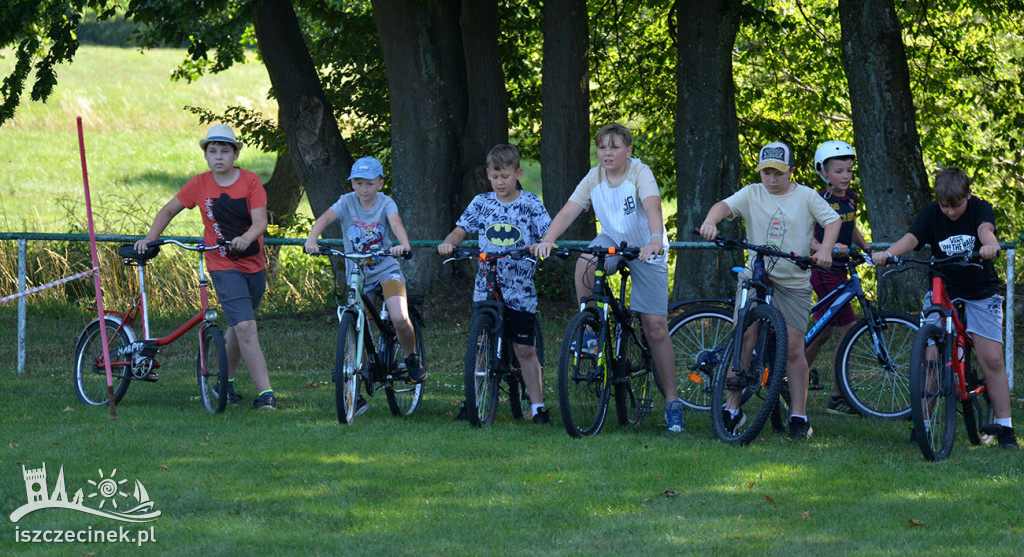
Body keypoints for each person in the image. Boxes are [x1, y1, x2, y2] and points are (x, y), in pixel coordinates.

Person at [532, 123, 685, 433]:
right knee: (585, 263)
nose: (607, 153)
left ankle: (673, 402)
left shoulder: (639, 173)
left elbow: (653, 205)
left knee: (654, 327)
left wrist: (656, 238)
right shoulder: (594, 177)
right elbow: (568, 211)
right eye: (602, 147)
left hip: (646, 246)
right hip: (613, 239)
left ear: (628, 151)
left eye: (614, 147)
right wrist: (548, 238)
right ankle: (589, 328)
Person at [699, 141, 840, 439]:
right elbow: (723, 207)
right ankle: (732, 410)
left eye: (778, 173)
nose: (772, 179)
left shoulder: (806, 196)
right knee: (745, 338)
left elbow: (833, 220)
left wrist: (825, 249)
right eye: (766, 173)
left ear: (791, 171)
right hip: (757, 275)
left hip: (794, 281)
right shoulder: (752, 193)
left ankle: (799, 416)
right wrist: (711, 221)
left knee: (793, 347)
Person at [871, 167, 1017, 449]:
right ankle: (922, 426)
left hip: (979, 293)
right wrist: (889, 254)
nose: (950, 212)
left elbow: (986, 232)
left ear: (969, 195)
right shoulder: (930, 213)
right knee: (930, 359)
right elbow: (912, 238)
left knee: (992, 359)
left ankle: (1005, 427)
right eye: (944, 205)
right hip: (943, 289)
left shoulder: (979, 209)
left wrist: (991, 246)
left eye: (956, 205)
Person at [135, 124, 277, 409]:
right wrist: (150, 240)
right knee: (246, 325)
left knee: (240, 323)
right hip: (221, 263)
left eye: (225, 150)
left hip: (253, 263)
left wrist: (246, 238)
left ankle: (225, 385)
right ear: (206, 156)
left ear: (236, 154)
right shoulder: (199, 184)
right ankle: (266, 395)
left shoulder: (250, 182)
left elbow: (260, 222)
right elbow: (168, 210)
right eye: (212, 151)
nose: (219, 157)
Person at [438, 144, 553, 424]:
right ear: (488, 175)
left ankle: (538, 407)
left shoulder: (530, 204)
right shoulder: (481, 203)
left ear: (517, 173)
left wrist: (541, 244)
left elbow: (549, 233)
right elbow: (460, 230)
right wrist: (449, 243)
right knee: (479, 343)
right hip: (486, 284)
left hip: (519, 287)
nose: (500, 182)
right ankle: (474, 400)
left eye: (505, 176)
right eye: (495, 176)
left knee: (524, 348)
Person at [304, 156, 427, 417]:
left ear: (380, 183)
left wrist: (403, 244)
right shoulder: (346, 202)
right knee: (356, 325)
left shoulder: (385, 203)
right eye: (358, 183)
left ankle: (411, 357)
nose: (363, 189)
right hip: (357, 272)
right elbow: (325, 218)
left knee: (399, 317)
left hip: (386, 268)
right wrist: (312, 239)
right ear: (352, 184)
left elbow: (395, 222)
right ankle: (355, 392)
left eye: (369, 183)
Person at [805, 140, 872, 415]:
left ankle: (788, 376)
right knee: (849, 331)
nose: (845, 176)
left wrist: (867, 247)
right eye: (839, 171)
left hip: (842, 268)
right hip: (823, 271)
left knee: (822, 333)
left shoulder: (852, 198)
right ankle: (838, 395)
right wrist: (825, 248)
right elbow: (805, 234)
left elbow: (851, 226)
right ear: (823, 172)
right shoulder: (819, 200)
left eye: (849, 170)